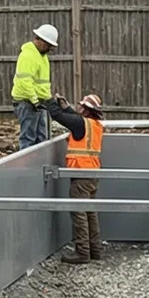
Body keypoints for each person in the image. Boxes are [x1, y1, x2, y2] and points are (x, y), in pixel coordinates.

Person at [60, 93, 105, 263]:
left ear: (87, 110)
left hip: (81, 173)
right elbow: (74, 119)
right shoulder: (95, 125)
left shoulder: (82, 124)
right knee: (90, 212)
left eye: (81, 106)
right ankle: (95, 250)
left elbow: (64, 119)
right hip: (92, 172)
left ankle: (82, 252)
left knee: (79, 212)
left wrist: (51, 105)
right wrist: (66, 108)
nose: (78, 107)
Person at [10, 24, 59, 149]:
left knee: (42, 137)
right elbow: (25, 81)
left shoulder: (42, 56)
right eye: (48, 45)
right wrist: (35, 101)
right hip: (28, 102)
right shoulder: (28, 56)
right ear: (41, 41)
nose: (50, 49)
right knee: (28, 138)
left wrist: (48, 99)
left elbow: (42, 83)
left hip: (38, 102)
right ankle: (27, 161)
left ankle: (40, 160)